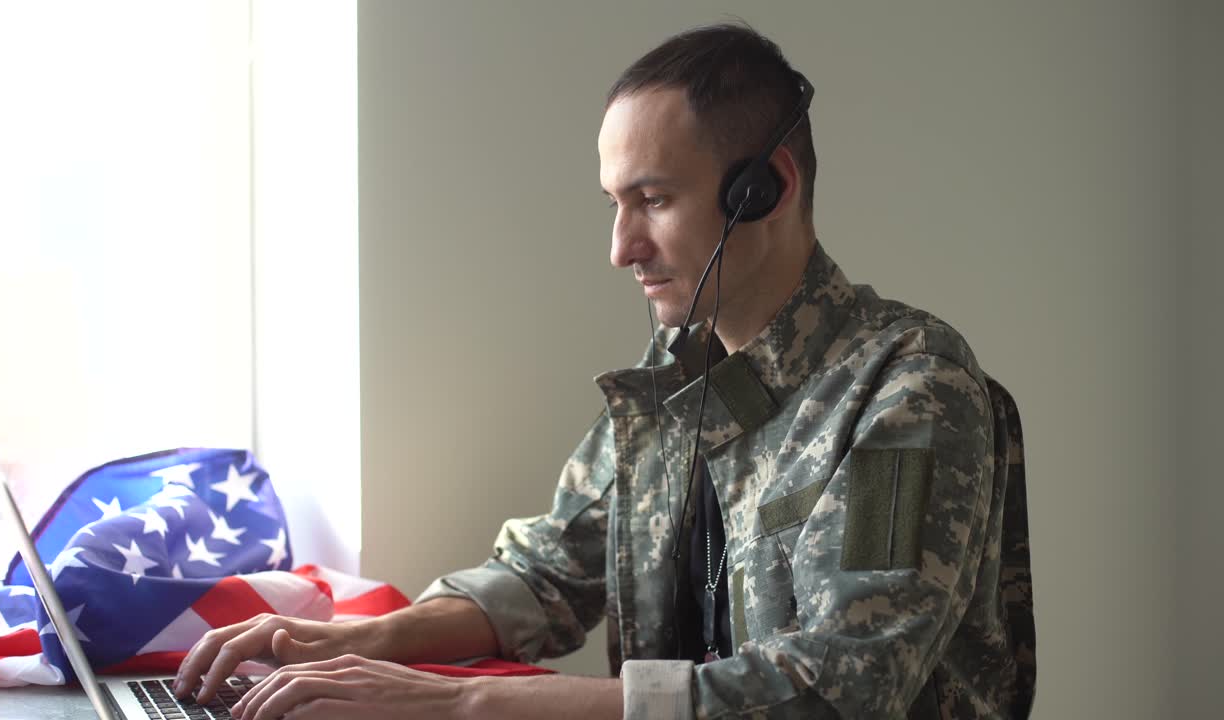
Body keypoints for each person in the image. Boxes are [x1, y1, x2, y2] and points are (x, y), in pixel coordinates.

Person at [174, 23, 1035, 720]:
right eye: (615, 205)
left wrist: (461, 701)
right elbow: (547, 576)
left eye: (654, 201)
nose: (621, 248)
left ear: (762, 190)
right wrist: (355, 645)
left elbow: (841, 689)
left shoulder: (907, 388)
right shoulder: (678, 379)